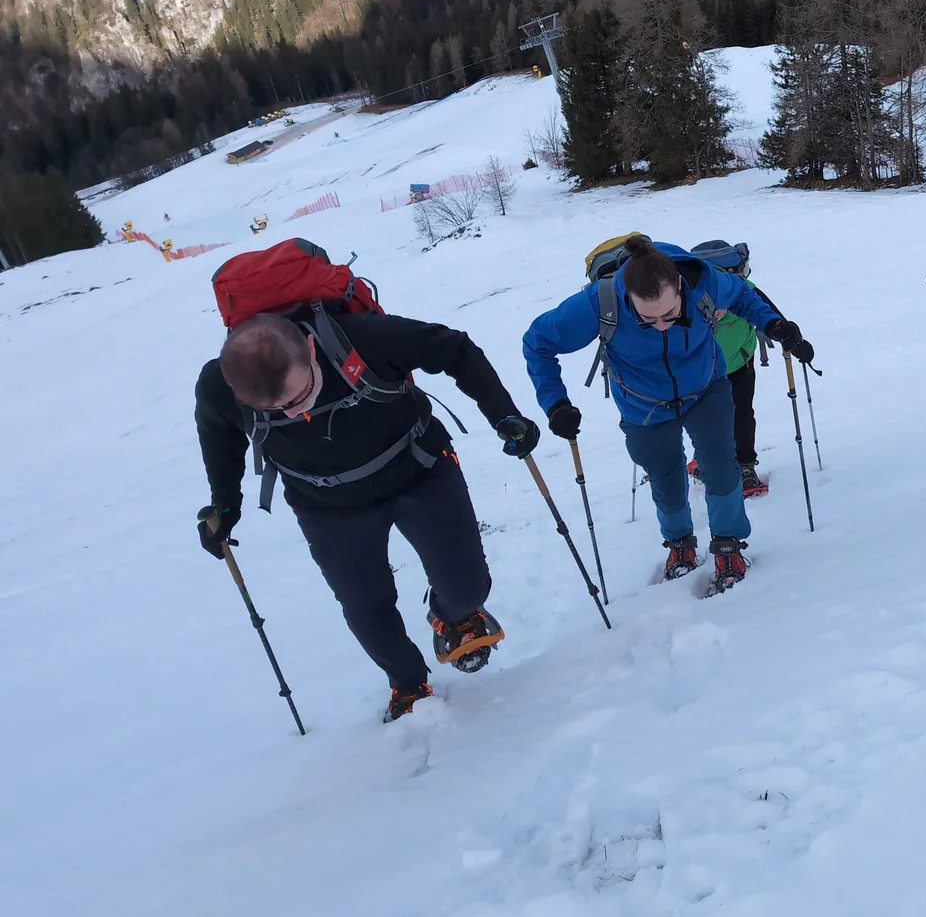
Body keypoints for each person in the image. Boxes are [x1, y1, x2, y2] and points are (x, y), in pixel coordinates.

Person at [194, 310, 539, 722]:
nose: (289, 413)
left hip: (418, 469)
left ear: (310, 349)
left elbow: (456, 350)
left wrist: (503, 414)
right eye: (273, 408)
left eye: (297, 396)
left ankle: (454, 616)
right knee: (365, 608)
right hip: (326, 505)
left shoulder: (365, 339)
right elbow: (218, 436)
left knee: (467, 587)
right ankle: (408, 682)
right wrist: (225, 504)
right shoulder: (219, 385)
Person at [524, 236, 812, 592]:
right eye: (648, 319)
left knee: (722, 466)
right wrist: (556, 404)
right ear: (628, 296)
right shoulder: (600, 302)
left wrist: (772, 324)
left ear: (679, 286)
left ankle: (728, 544)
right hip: (643, 406)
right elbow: (537, 342)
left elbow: (740, 293)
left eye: (670, 315)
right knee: (665, 477)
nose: (661, 324)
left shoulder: (701, 279)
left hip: (705, 388)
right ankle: (680, 543)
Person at [686, 239, 769, 499]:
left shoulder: (740, 292)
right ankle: (741, 470)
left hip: (710, 367)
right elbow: (772, 316)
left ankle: (732, 464)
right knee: (738, 415)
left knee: (717, 416)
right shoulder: (743, 290)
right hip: (727, 364)